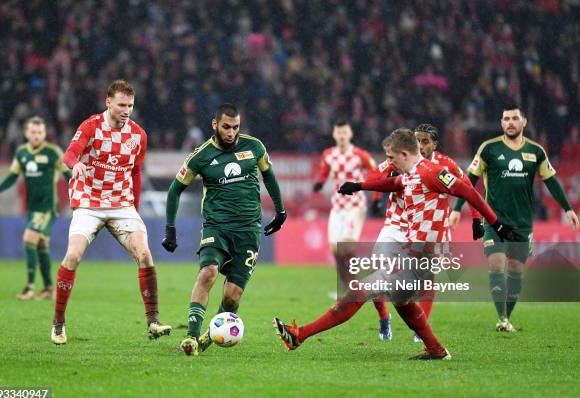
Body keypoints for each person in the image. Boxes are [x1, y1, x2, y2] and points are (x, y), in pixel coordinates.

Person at [274, 128, 518, 360]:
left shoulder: (431, 172)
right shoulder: (409, 174)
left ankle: (299, 335)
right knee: (402, 300)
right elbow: (393, 184)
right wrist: (359, 186)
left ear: (405, 154)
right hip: (412, 251)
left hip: (423, 256)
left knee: (361, 290)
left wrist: (494, 223)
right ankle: (436, 350)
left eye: (392, 157)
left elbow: (468, 192)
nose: (389, 162)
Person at [50, 80, 171, 345]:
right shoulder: (91, 126)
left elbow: (136, 173)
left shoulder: (138, 135)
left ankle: (153, 321)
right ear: (108, 102)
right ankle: (58, 323)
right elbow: (69, 155)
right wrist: (75, 166)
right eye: (121, 105)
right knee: (72, 256)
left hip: (121, 205)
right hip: (89, 202)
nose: (126, 110)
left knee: (145, 254)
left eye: (130, 105)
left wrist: (134, 211)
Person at [163, 103, 286, 356]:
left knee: (232, 297)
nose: (231, 132)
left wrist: (280, 211)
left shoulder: (254, 147)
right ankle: (190, 336)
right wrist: (170, 229)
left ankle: (209, 337)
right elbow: (175, 190)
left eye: (236, 127)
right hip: (216, 227)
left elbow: (269, 176)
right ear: (215, 125)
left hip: (249, 230)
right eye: (226, 127)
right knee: (207, 273)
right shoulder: (201, 155)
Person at [450, 104, 579, 332]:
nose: (510, 122)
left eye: (514, 118)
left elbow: (551, 180)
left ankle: (506, 318)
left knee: (516, 269)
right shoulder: (489, 149)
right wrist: (457, 208)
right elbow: (470, 180)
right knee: (496, 263)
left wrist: (567, 208)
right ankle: (501, 318)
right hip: (493, 220)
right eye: (506, 119)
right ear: (501, 123)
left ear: (524, 122)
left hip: (522, 223)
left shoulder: (536, 151)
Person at [366, 124, 482, 343]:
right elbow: (375, 175)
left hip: (427, 228)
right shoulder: (402, 157)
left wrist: (476, 217)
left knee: (426, 279)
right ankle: (384, 316)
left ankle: (421, 329)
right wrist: (375, 196)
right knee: (376, 269)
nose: (420, 145)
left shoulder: (444, 164)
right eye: (417, 140)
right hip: (397, 223)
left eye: (425, 141)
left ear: (434, 144)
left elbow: (467, 185)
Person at [313, 120, 391, 341]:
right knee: (336, 251)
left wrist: (376, 198)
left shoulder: (360, 154)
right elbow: (325, 172)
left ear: (350, 133)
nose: (341, 135)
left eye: (344, 132)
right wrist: (319, 183)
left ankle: (362, 292)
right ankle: (351, 290)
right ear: (334, 133)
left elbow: (377, 173)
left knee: (346, 246)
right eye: (338, 132)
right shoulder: (328, 153)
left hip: (355, 206)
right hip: (337, 208)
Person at [0, 116, 71, 300]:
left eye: (40, 132)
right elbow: (12, 176)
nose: (36, 135)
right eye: (33, 132)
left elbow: (67, 173)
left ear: (44, 133)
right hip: (32, 208)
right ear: (26, 133)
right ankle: (49, 288)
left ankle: (30, 287)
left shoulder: (53, 152)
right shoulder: (22, 153)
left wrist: (79, 186)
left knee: (29, 238)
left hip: (48, 207)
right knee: (41, 245)